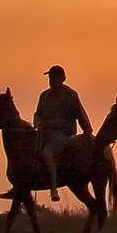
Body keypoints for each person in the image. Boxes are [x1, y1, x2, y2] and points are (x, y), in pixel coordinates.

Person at [34, 64, 92, 202]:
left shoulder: (70, 95)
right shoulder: (44, 96)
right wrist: (37, 124)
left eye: (53, 77)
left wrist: (87, 130)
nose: (50, 80)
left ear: (62, 78)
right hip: (44, 133)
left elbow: (80, 114)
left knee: (47, 153)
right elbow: (38, 114)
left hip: (62, 134)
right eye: (49, 77)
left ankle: (53, 188)